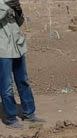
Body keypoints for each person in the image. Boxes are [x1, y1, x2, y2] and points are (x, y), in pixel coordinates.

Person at [0, 0, 42, 129]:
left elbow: (19, 22)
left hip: (18, 46)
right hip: (3, 50)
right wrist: (6, 8)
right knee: (6, 86)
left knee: (23, 81)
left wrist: (18, 10)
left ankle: (29, 113)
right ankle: (11, 118)